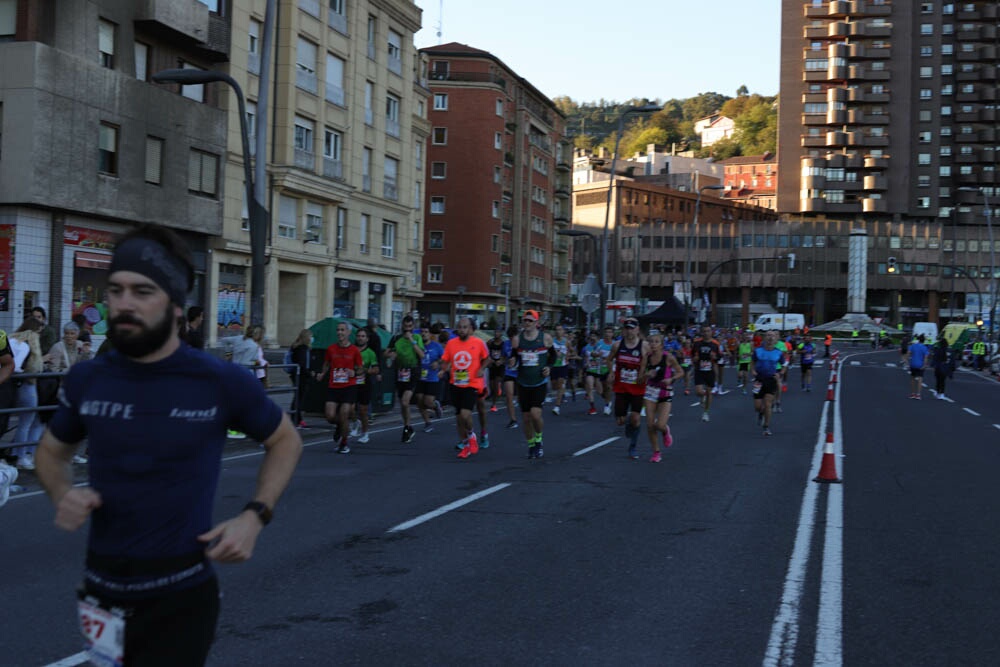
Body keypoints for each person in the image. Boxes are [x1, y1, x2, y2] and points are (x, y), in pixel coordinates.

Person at [34, 224, 302, 667]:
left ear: (176, 306)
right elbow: (50, 451)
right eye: (116, 290)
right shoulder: (88, 378)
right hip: (102, 591)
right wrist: (62, 492)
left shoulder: (218, 381)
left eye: (142, 291)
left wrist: (255, 517)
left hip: (180, 592)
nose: (123, 303)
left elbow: (285, 440)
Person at [440, 317, 490, 459]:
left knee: (465, 414)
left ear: (470, 329)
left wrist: (481, 368)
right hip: (455, 383)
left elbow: (488, 358)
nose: (462, 330)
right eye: (460, 327)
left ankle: (472, 434)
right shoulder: (451, 344)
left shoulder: (478, 343)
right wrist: (443, 370)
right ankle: (466, 445)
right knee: (459, 418)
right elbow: (445, 360)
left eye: (465, 327)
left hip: (472, 383)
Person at [510, 310, 553, 459]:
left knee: (536, 414)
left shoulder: (545, 338)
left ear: (536, 323)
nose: (527, 323)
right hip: (523, 382)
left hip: (539, 382)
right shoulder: (517, 340)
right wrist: (513, 361)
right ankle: (531, 444)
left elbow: (553, 356)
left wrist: (549, 367)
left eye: (530, 321)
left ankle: (539, 439)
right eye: (525, 321)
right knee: (526, 417)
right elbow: (514, 356)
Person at [316, 321, 363, 453]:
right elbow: (326, 363)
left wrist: (354, 372)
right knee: (330, 416)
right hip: (334, 385)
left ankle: (344, 443)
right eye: (338, 330)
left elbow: (360, 369)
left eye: (342, 330)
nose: (340, 333)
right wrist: (322, 373)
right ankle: (341, 425)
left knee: (343, 413)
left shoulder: (354, 350)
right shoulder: (331, 349)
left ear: (348, 332)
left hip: (349, 386)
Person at [608, 317, 650, 459]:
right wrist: (612, 372)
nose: (630, 331)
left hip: (638, 387)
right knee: (620, 420)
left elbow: (651, 361)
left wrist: (646, 373)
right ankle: (626, 422)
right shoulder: (617, 345)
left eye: (632, 328)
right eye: (627, 328)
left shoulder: (644, 346)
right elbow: (609, 359)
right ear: (623, 330)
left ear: (637, 329)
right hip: (621, 387)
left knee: (636, 418)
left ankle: (633, 447)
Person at [10, 317, 45, 470]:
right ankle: (23, 456)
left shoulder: (12, 340)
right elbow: (15, 366)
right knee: (28, 421)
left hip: (14, 385)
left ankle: (20, 453)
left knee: (27, 421)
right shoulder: (26, 345)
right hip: (26, 383)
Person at [643, 330, 682, 463]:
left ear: (661, 344)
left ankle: (665, 431)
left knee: (659, 425)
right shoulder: (646, 357)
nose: (653, 344)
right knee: (649, 424)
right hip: (650, 391)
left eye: (656, 342)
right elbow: (639, 376)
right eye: (651, 342)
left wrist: (671, 379)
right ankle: (656, 452)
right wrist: (648, 374)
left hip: (665, 391)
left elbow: (680, 372)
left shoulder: (668, 357)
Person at [385, 315, 425, 444]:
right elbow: (386, 352)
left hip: (413, 372)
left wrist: (412, 341)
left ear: (413, 327)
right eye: (405, 326)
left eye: (410, 326)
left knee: (405, 401)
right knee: (403, 403)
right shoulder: (396, 338)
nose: (407, 329)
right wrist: (391, 354)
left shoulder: (417, 338)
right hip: (401, 372)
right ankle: (407, 426)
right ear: (402, 326)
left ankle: (407, 428)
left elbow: (422, 355)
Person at [751, 330, 784, 436]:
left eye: (772, 336)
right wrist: (752, 370)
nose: (770, 338)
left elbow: (785, 363)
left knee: (768, 404)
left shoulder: (778, 352)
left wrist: (781, 373)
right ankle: (761, 413)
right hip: (759, 380)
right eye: (768, 335)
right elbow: (752, 361)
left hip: (771, 380)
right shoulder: (758, 351)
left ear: (775, 339)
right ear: (765, 338)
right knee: (757, 406)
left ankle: (766, 426)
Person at [350, 328, 379, 444]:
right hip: (351, 383)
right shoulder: (351, 350)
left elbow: (376, 369)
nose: (360, 338)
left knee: (363, 411)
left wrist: (365, 370)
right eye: (358, 336)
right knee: (349, 408)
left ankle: (365, 433)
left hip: (364, 384)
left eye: (363, 336)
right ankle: (355, 421)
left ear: (367, 339)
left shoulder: (370, 353)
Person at [415, 328, 444, 433]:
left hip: (432, 377)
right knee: (419, 400)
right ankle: (428, 423)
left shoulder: (436, 346)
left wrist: (437, 362)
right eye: (422, 332)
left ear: (430, 334)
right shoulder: (417, 346)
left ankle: (435, 405)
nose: (423, 334)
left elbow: (445, 358)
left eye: (426, 332)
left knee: (427, 402)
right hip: (420, 377)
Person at [692, 325, 721, 422]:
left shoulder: (715, 344)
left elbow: (719, 357)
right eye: (704, 331)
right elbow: (692, 355)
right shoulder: (697, 343)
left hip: (710, 370)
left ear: (711, 332)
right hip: (699, 369)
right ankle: (702, 396)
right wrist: (694, 359)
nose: (706, 333)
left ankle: (706, 412)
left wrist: (715, 357)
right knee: (699, 391)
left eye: (708, 331)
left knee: (709, 392)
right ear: (701, 332)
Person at [287, 328, 313, 429]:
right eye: (310, 336)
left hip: (295, 374)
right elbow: (302, 364)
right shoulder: (303, 348)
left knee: (297, 397)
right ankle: (296, 419)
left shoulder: (295, 346)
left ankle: (297, 418)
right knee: (299, 398)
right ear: (307, 337)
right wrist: (309, 374)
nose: (311, 338)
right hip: (301, 376)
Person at [549, 324, 571, 415]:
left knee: (560, 382)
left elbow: (571, 351)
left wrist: (567, 356)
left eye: (560, 330)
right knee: (555, 385)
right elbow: (547, 352)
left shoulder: (566, 342)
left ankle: (557, 406)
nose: (558, 331)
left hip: (563, 365)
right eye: (557, 330)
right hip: (553, 366)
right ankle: (561, 391)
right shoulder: (551, 341)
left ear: (563, 332)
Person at [501, 325, 520, 429]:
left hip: (520, 373)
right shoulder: (506, 344)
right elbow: (504, 357)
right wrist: (502, 361)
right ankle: (513, 419)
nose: (512, 339)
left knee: (523, 397)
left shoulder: (521, 344)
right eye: (510, 337)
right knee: (509, 396)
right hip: (509, 373)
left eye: (513, 337)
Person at [486, 327, 506, 412]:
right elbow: (486, 352)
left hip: (500, 366)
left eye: (498, 332)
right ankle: (497, 391)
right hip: (492, 365)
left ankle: (494, 404)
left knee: (496, 383)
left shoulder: (503, 344)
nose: (496, 334)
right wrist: (489, 360)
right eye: (495, 332)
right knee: (491, 386)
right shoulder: (490, 343)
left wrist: (501, 361)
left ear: (501, 334)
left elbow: (505, 355)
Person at [906, 333, 930, 400]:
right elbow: (926, 357)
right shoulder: (925, 348)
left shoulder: (913, 346)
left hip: (913, 364)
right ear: (924, 340)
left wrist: (907, 362)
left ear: (918, 340)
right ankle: (918, 394)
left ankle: (912, 393)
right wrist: (924, 365)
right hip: (920, 365)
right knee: (920, 379)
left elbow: (908, 353)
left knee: (913, 378)